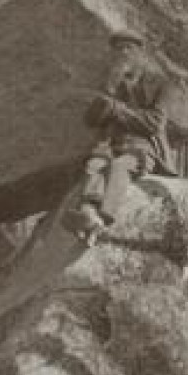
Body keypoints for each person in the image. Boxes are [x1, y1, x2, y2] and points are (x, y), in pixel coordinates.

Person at [68, 27, 175, 245]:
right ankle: (87, 213)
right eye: (118, 50)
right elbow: (90, 120)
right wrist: (108, 89)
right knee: (95, 165)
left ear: (139, 54)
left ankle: (102, 218)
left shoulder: (159, 83)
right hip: (109, 146)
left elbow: (154, 123)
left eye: (129, 49)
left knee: (119, 167)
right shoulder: (110, 83)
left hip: (142, 149)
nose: (123, 53)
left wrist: (118, 110)